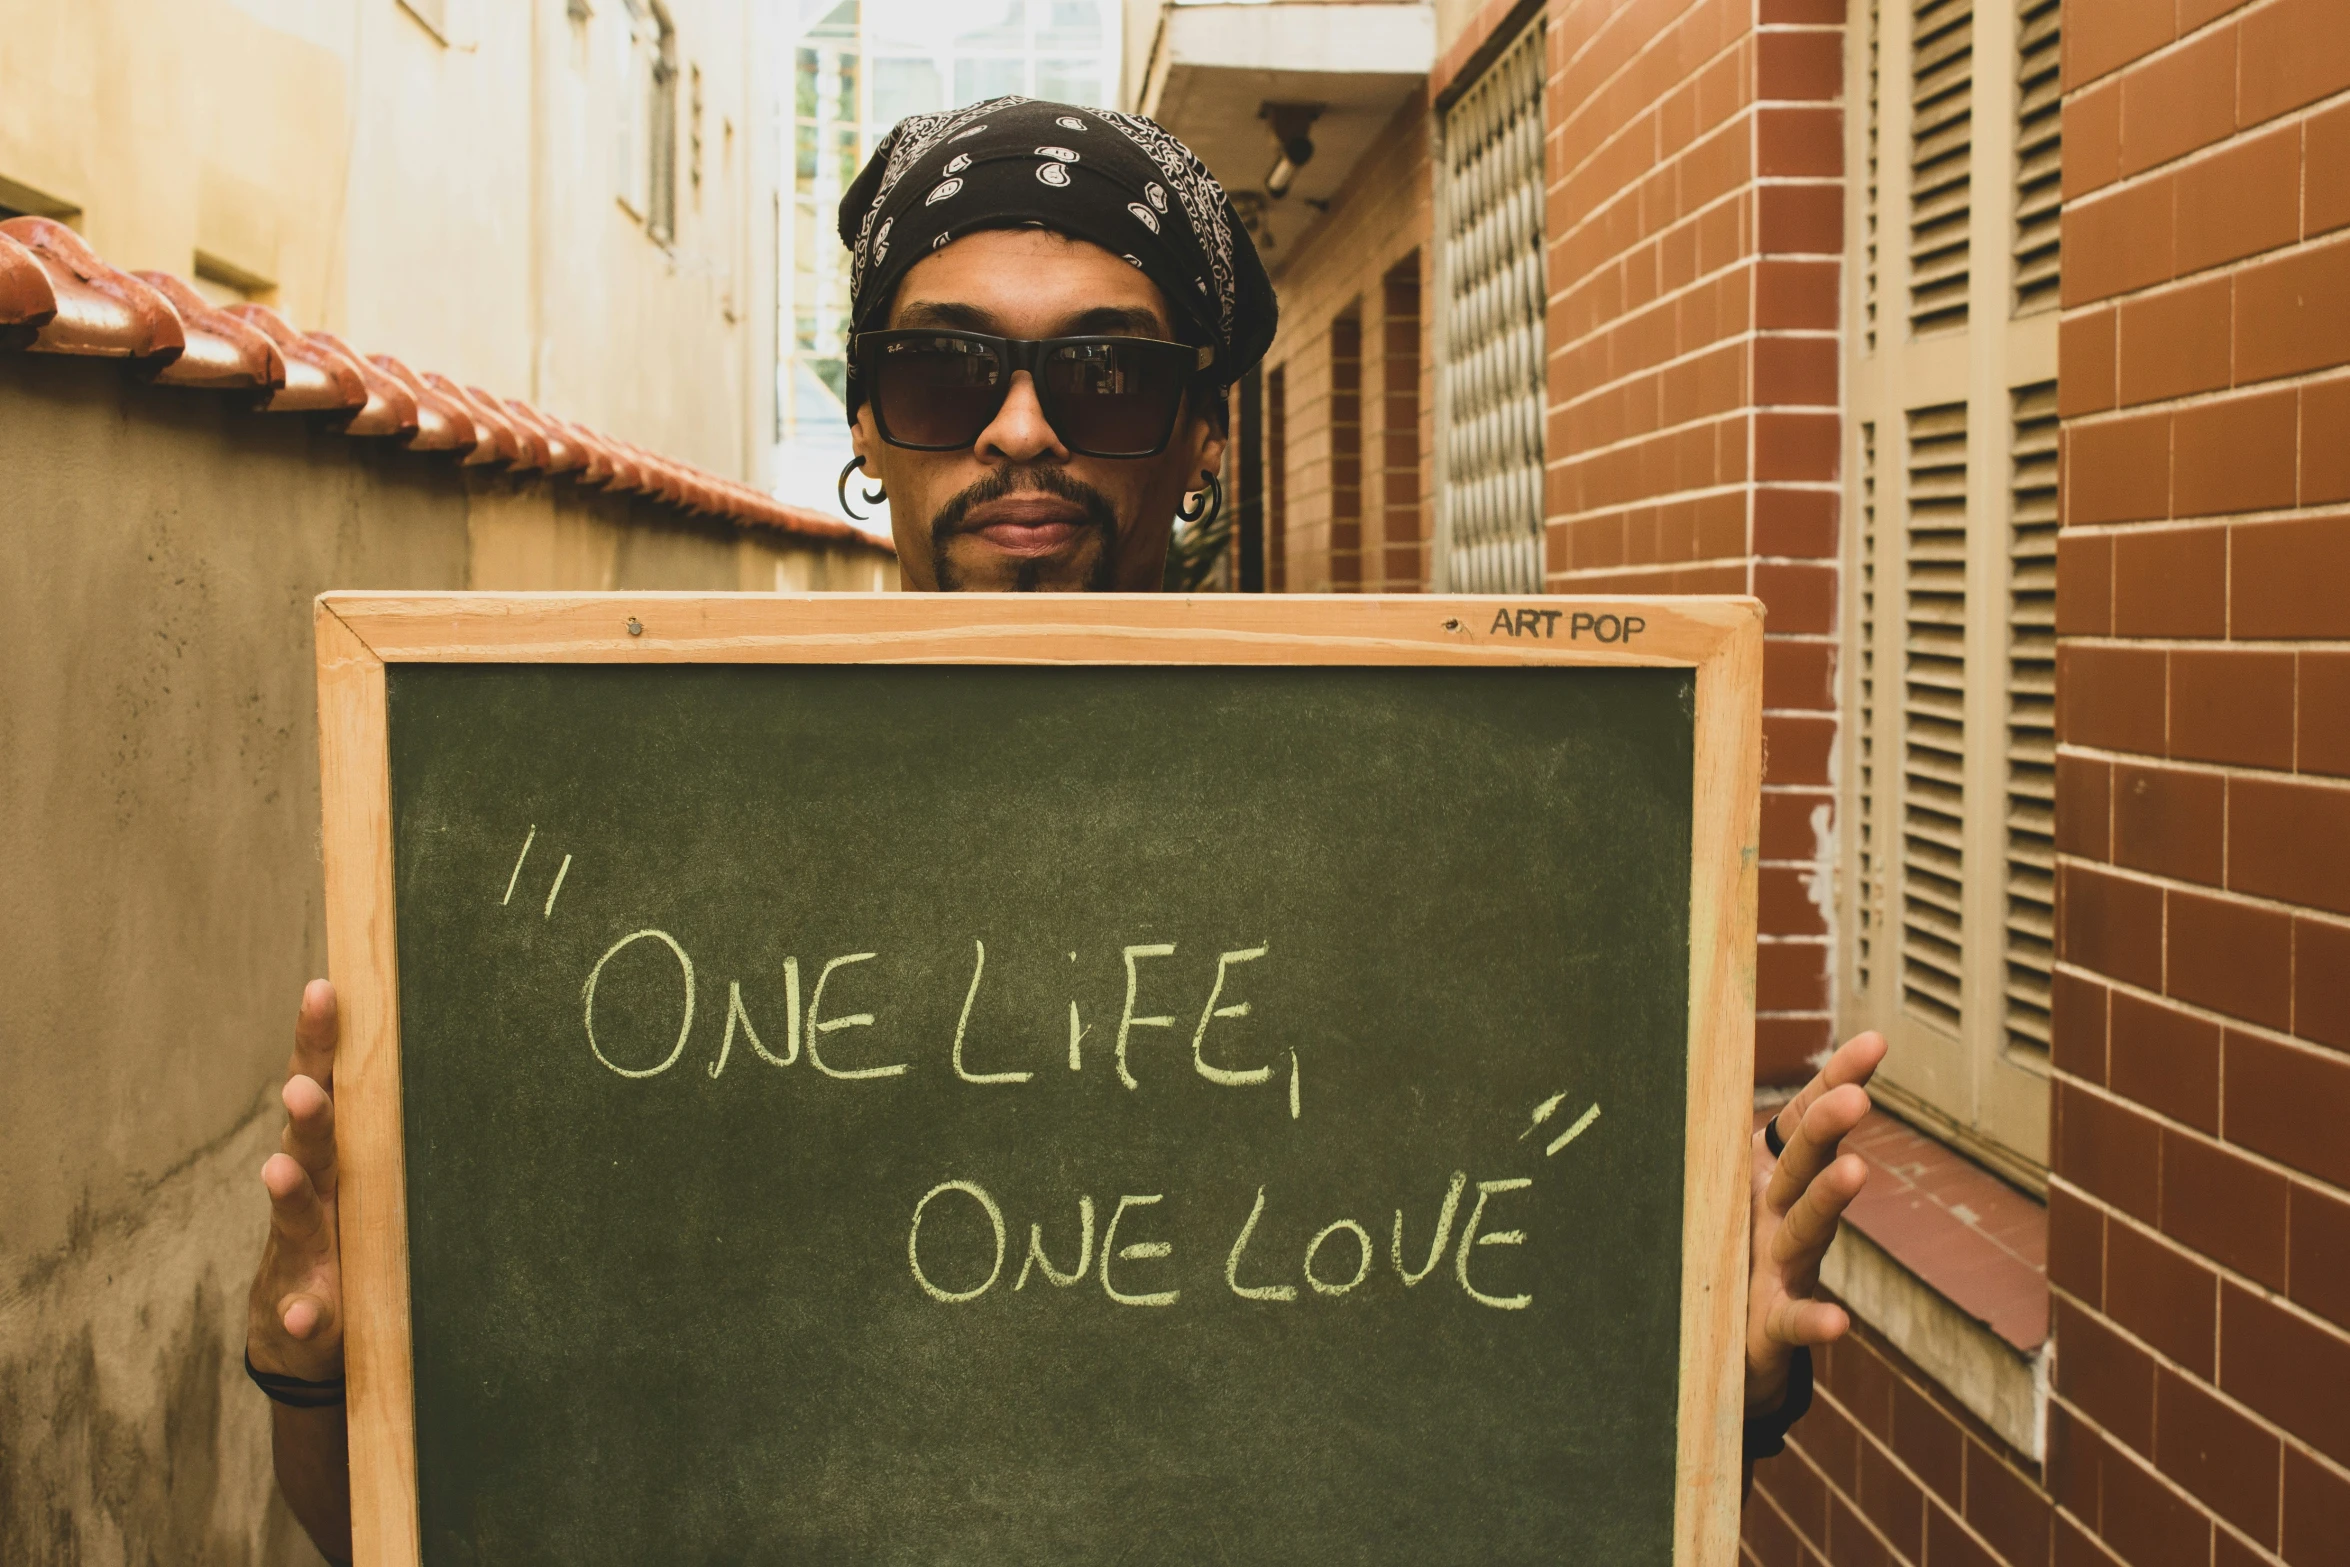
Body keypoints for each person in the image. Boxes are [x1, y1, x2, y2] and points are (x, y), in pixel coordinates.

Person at [244, 97, 1885, 1561]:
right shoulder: (618, 844)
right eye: (944, 371)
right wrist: (318, 1372)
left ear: (1203, 439)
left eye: (1106, 376)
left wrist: (1698, 1389)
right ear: (870, 431)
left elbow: (1512, 1449)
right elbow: (409, 1517)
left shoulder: (1442, 846)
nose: (1018, 427)